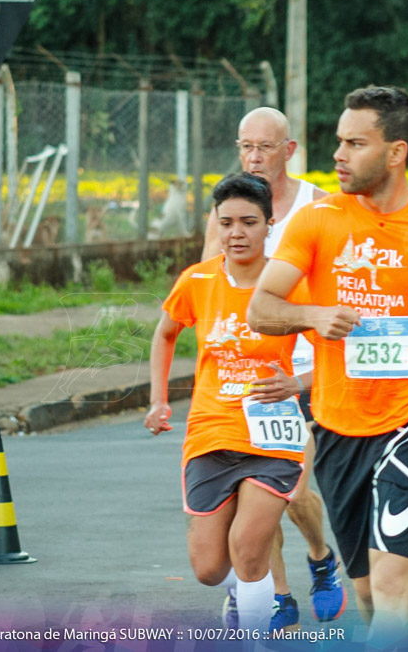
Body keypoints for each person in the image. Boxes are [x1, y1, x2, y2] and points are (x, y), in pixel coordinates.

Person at [247, 85, 408, 644]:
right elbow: (261, 309)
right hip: (339, 428)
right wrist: (313, 314)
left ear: (396, 152)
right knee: (364, 590)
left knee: (390, 586)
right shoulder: (318, 222)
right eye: (338, 141)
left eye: (354, 143)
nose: (337, 155)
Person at [201, 108, 346, 630]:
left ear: (289, 151)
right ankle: (277, 591)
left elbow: (338, 295)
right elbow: (209, 288)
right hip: (248, 375)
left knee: (295, 493)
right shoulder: (228, 211)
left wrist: (314, 369)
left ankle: (320, 556)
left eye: (264, 147)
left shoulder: (322, 208)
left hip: (305, 371)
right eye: (245, 146)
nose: (254, 157)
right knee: (253, 498)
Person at [144, 174, 307, 634]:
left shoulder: (290, 283)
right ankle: (240, 593)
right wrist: (158, 400)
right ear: (215, 225)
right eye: (227, 222)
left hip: (271, 434)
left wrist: (297, 383)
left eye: (249, 222)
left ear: (270, 224)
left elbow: (340, 355)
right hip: (211, 432)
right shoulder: (196, 280)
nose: (236, 233)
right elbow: (166, 333)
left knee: (250, 549)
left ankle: (253, 634)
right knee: (209, 568)